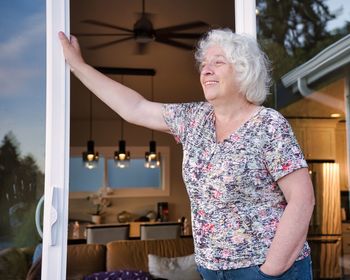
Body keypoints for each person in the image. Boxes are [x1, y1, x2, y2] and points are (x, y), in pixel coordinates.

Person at [59, 28, 315, 279]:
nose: (206, 69)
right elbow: (134, 107)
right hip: (210, 270)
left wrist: (271, 271)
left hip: (265, 269)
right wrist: (78, 66)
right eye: (204, 64)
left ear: (243, 71)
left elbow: (302, 199)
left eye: (218, 62)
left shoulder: (268, 124)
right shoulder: (194, 119)